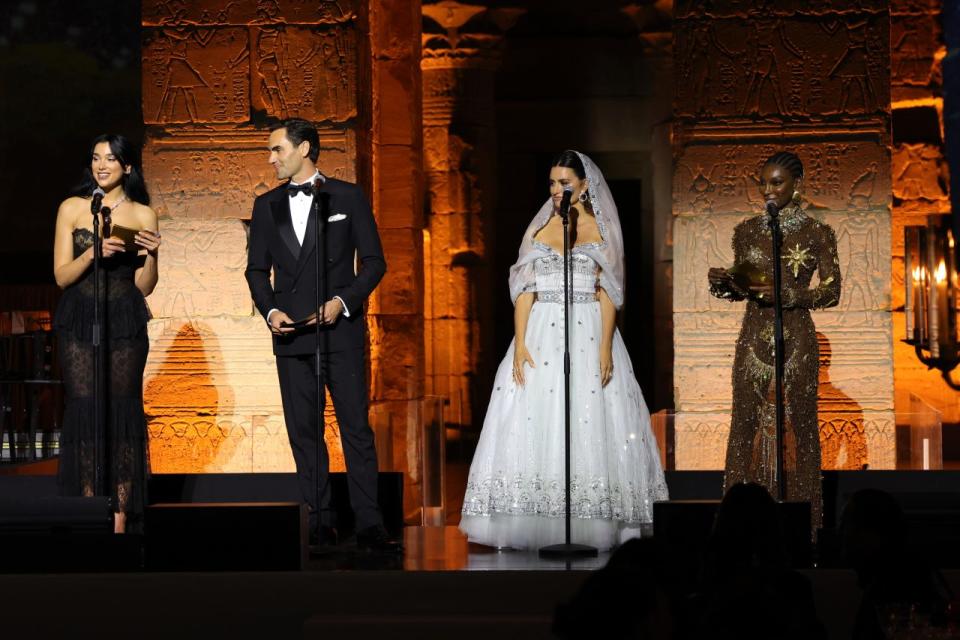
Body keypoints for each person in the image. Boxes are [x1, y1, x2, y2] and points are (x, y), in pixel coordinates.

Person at [459, 150, 669, 550]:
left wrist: (606, 346)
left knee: (591, 419)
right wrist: (520, 342)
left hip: (588, 328)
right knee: (535, 418)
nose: (557, 190)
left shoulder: (600, 231)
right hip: (541, 329)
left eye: (565, 183)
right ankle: (534, 517)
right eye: (553, 183)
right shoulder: (540, 228)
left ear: (585, 186)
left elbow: (609, 291)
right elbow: (524, 289)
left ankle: (596, 520)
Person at [244, 118, 398, 552]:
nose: (271, 158)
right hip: (292, 337)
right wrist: (270, 309)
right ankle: (319, 521)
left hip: (341, 333)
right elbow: (256, 270)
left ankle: (369, 524)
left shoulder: (346, 195)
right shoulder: (265, 206)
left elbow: (374, 263)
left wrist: (343, 302)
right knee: (304, 434)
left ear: (304, 148)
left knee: (355, 430)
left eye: (277, 150)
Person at [708, 151, 841, 533]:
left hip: (797, 337)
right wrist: (727, 286)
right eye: (763, 182)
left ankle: (809, 528)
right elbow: (745, 281)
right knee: (742, 428)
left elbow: (832, 292)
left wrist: (789, 296)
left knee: (802, 429)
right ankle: (733, 530)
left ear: (797, 184)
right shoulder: (746, 230)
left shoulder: (817, 233)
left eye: (777, 182)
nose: (768, 190)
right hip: (752, 337)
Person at [53, 134, 161, 534]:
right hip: (80, 316)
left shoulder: (143, 214)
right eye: (96, 158)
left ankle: (119, 517)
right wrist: (94, 250)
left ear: (127, 167)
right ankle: (87, 509)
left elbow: (146, 286)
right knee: (85, 409)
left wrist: (150, 254)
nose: (102, 165)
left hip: (126, 319)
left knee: (120, 410)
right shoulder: (73, 208)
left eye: (111, 159)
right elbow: (61, 275)